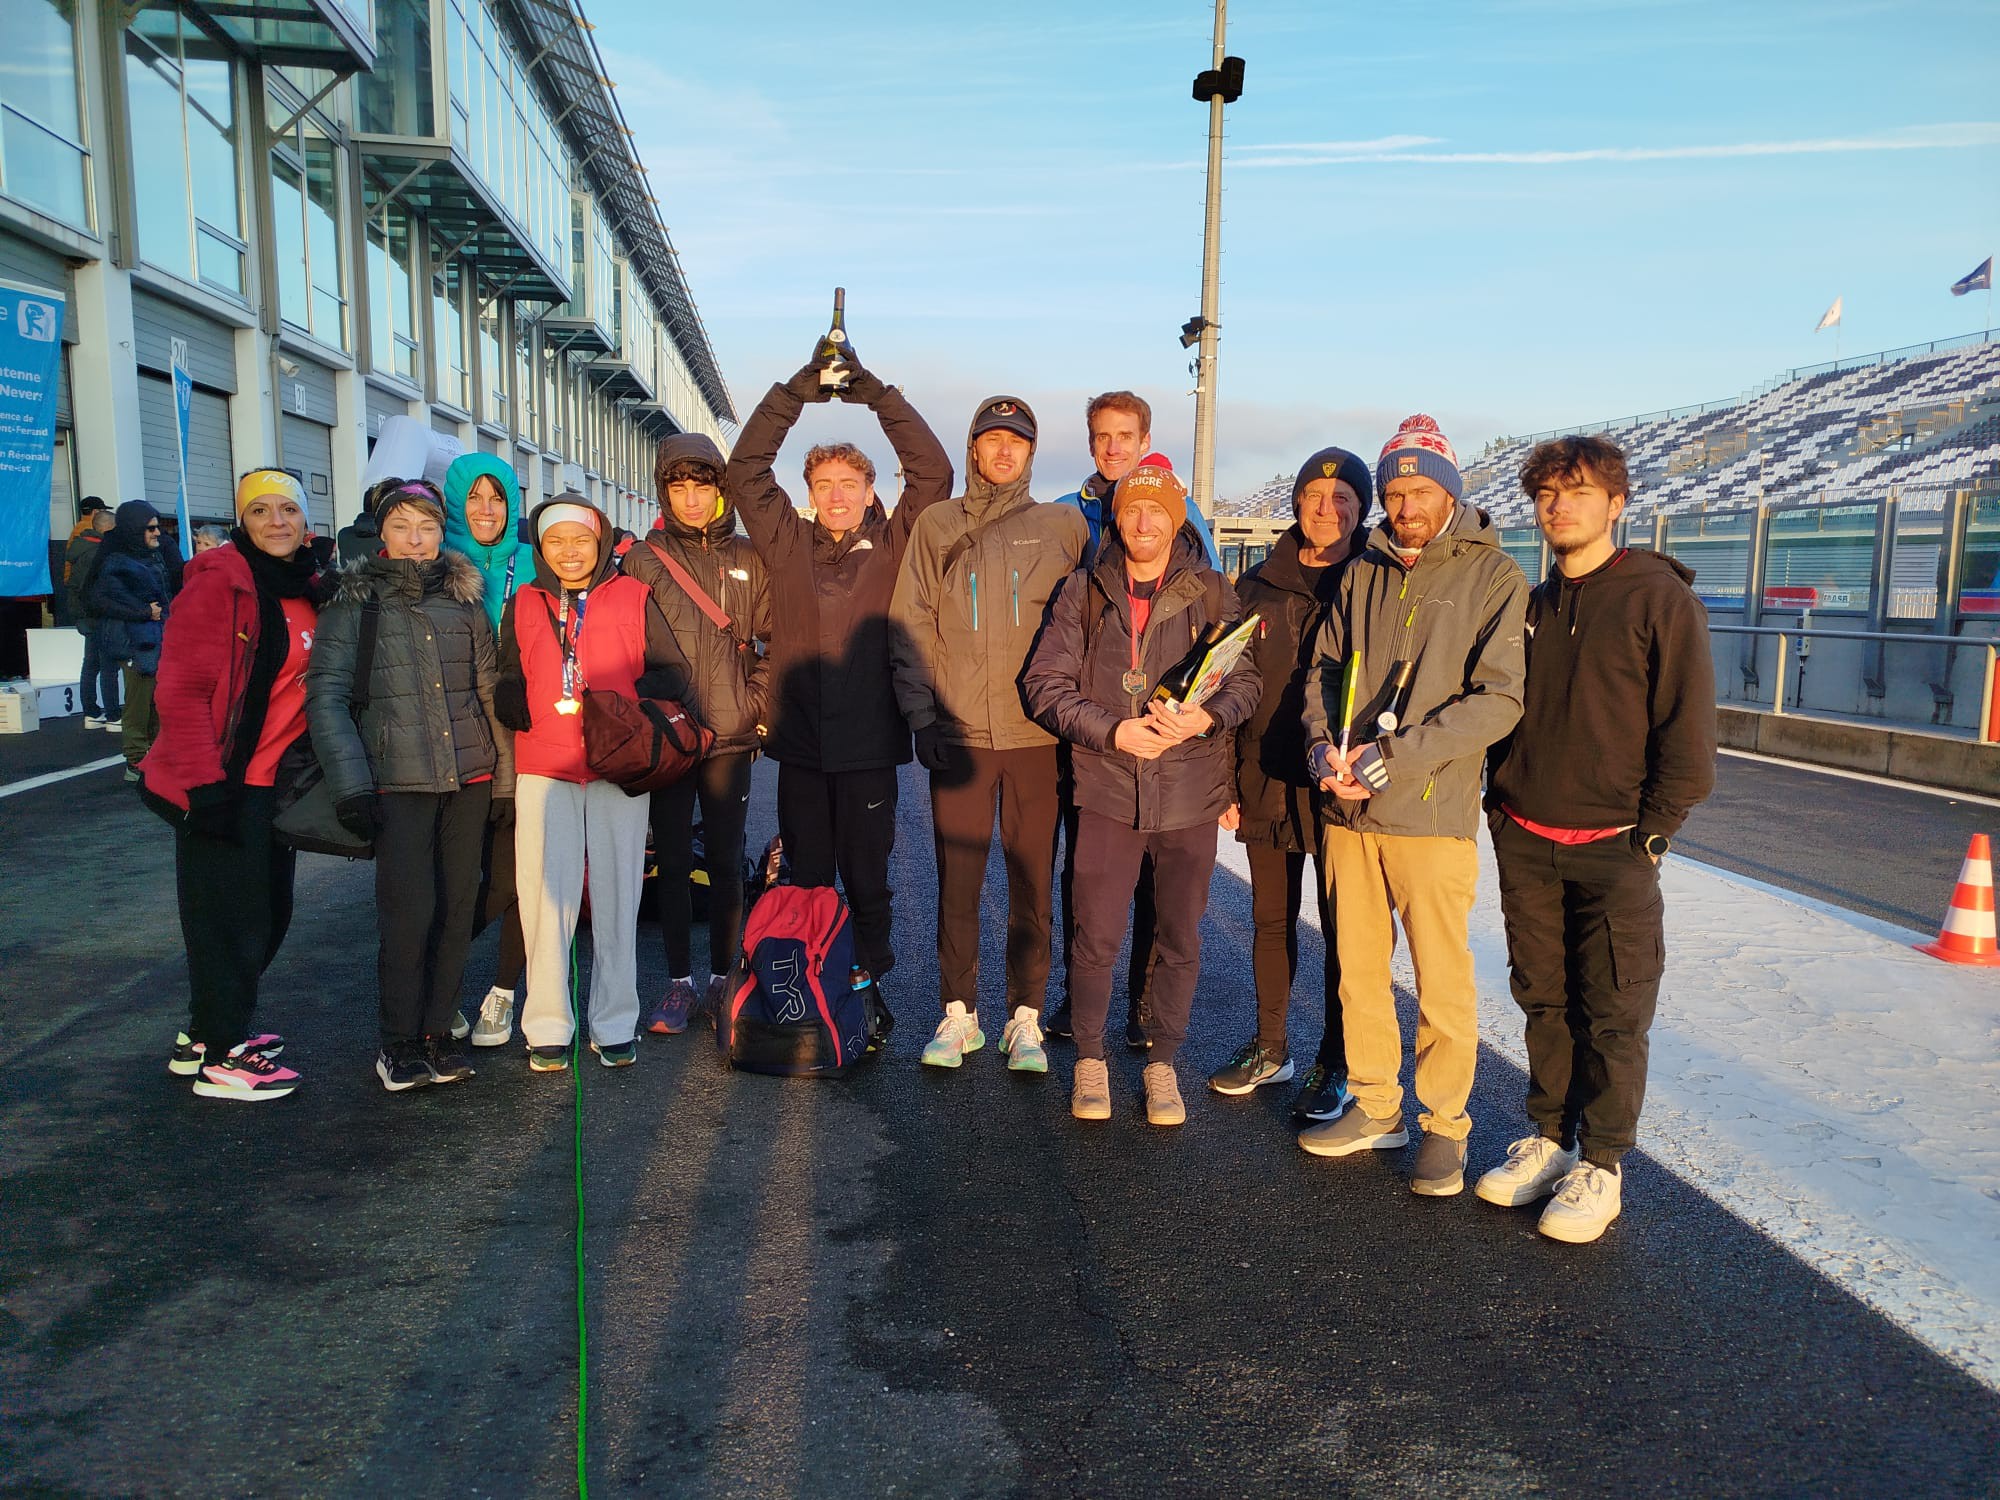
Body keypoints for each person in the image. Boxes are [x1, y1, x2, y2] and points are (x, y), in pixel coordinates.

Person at [1474, 435, 1716, 1242]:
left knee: (1613, 1008)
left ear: (1617, 503)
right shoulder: (1532, 606)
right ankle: (1548, 1137)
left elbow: (1689, 735)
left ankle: (1602, 1163)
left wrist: (1652, 834)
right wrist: (1500, 809)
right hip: (1527, 837)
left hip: (1614, 844)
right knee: (1542, 999)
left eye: (1577, 492)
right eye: (1546, 494)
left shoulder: (1658, 599)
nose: (1559, 507)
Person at [1298, 414, 1527, 1194]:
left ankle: (1445, 1126)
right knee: (1358, 972)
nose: (1403, 505)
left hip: (1427, 813)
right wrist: (1321, 748)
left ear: (1450, 493)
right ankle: (1375, 1105)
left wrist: (1390, 761)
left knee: (1440, 980)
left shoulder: (1494, 578)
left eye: (1419, 489)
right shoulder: (1364, 568)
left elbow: (1498, 702)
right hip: (1347, 811)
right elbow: (1325, 668)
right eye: (1394, 491)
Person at [1023, 457, 1260, 1126]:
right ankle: (1092, 1059)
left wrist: (1204, 717)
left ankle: (1162, 1063)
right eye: (1132, 509)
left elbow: (1246, 683)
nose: (1145, 521)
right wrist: (1112, 733)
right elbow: (1045, 686)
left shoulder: (1213, 591)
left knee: (1178, 934)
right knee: (1096, 931)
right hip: (1106, 788)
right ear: (1118, 517)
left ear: (1177, 517)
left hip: (1188, 794)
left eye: (1158, 509)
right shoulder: (1083, 592)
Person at [723, 343, 953, 1012]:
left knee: (868, 876)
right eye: (823, 485)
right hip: (799, 750)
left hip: (869, 750)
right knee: (809, 875)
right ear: (809, 493)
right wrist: (796, 391)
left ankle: (869, 982)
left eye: (849, 485)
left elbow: (932, 471)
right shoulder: (785, 542)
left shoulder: (896, 543)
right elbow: (746, 467)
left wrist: (874, 392)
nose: (836, 496)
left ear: (870, 491)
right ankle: (813, 976)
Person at [890, 396, 1088, 1072]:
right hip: (962, 736)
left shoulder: (1063, 525)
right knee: (960, 881)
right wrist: (922, 715)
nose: (1005, 452)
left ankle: (1025, 1018)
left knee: (1033, 881)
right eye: (992, 439)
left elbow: (1094, 621)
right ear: (972, 447)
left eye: (1018, 442)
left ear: (1032, 453)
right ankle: (959, 1016)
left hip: (1038, 739)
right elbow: (910, 620)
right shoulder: (937, 524)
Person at [308, 481, 513, 1093]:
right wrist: (352, 786)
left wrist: (503, 780)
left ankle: (436, 1033)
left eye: (426, 525)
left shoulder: (463, 598)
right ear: (383, 533)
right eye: (402, 526)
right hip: (396, 781)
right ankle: (398, 1041)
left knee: (456, 910)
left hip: (470, 778)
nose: (416, 538)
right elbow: (327, 699)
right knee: (408, 913)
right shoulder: (354, 602)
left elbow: (487, 691)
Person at [138, 470, 328, 1100]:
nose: (277, 522)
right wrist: (205, 787)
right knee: (231, 920)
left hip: (271, 785)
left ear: (306, 521)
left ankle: (202, 1034)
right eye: (260, 512)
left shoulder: (309, 589)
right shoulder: (222, 586)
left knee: (267, 914)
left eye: (288, 510)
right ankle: (224, 1056)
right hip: (220, 784)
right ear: (242, 522)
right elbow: (181, 692)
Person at [1045, 392, 1221, 1049]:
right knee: (1087, 877)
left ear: (1144, 439)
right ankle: (1078, 992)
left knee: (1160, 883)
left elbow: (1206, 616)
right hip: (1094, 730)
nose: (1113, 446)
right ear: (1091, 442)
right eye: (1102, 436)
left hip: (1164, 734)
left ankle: (1147, 1004)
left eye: (1125, 435)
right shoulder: (1070, 512)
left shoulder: (1183, 510)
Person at [496, 493, 689, 1071]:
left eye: (580, 539)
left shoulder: (633, 594)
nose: (569, 551)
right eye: (555, 540)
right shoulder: (524, 600)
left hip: (617, 764)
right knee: (543, 897)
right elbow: (508, 666)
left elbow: (672, 672)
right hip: (544, 765)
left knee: (617, 894)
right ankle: (548, 1024)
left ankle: (613, 1022)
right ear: (541, 546)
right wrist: (508, 689)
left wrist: (626, 703)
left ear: (601, 541)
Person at [1209, 447, 1371, 1122]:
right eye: (1314, 495)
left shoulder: (1373, 580)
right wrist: (1223, 783)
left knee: (1345, 931)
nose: (1326, 509)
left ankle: (1339, 1060)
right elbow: (1220, 684)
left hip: (1342, 785)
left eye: (1343, 500)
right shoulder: (1256, 586)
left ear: (1363, 510)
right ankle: (1273, 1045)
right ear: (1296, 502)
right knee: (1270, 919)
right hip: (1266, 776)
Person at [623, 433, 772, 1032]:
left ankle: (722, 978)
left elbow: (773, 640)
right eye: (678, 487)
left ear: (721, 489)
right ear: (664, 490)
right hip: (668, 736)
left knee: (730, 858)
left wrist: (755, 705)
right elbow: (622, 644)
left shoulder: (749, 556)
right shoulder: (642, 559)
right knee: (675, 858)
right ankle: (681, 982)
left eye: (702, 486)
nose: (690, 499)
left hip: (730, 736)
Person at [441, 452, 535, 1047]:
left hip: (524, 747)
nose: (485, 509)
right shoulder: (431, 564)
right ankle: (439, 986)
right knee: (451, 883)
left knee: (515, 878)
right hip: (452, 750)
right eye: (473, 496)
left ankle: (501, 994)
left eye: (496, 496)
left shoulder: (533, 562)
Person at [90, 501, 175, 775]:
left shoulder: (150, 555)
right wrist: (142, 612)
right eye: (150, 528)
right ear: (135, 529)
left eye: (157, 527)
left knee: (156, 701)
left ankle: (152, 757)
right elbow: (99, 599)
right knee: (139, 703)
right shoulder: (115, 559)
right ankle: (136, 761)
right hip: (132, 642)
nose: (157, 533)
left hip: (153, 638)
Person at [65, 499, 121, 729]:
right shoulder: (100, 554)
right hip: (102, 616)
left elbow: (75, 586)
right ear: (109, 528)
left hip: (86, 616)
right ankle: (114, 716)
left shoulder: (79, 548)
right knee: (108, 667)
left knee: (91, 664)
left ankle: (91, 711)